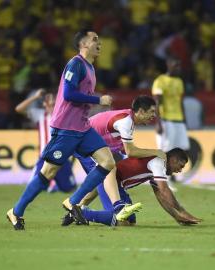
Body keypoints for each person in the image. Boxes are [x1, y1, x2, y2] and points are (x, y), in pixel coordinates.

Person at [7, 30, 126, 230]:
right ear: (83, 44)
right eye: (95, 39)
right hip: (66, 128)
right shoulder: (76, 64)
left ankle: (73, 201)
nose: (100, 43)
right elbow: (69, 94)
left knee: (107, 161)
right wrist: (98, 99)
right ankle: (16, 211)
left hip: (82, 127)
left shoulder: (90, 68)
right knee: (48, 172)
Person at [73, 95, 166, 217]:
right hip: (82, 142)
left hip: (84, 141)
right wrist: (156, 152)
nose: (154, 115)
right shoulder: (125, 121)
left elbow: (123, 149)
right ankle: (117, 206)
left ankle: (76, 209)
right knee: (108, 168)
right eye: (152, 111)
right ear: (141, 111)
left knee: (101, 176)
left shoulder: (128, 120)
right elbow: (130, 151)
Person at [63, 148, 202, 226]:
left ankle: (82, 212)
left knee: (131, 221)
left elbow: (160, 195)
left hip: (119, 187)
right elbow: (165, 190)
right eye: (180, 166)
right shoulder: (158, 162)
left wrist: (176, 217)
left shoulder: (157, 168)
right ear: (172, 159)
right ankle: (82, 212)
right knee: (121, 221)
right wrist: (182, 211)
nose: (180, 170)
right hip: (109, 183)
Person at [15, 88, 76, 193]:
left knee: (70, 188)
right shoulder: (39, 115)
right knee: (32, 187)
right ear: (44, 104)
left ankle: (54, 184)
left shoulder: (64, 116)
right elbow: (18, 109)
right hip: (44, 158)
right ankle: (51, 184)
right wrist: (35, 97)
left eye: (54, 104)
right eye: (50, 104)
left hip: (62, 158)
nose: (52, 107)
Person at [152, 56, 190, 187]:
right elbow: (156, 102)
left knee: (182, 148)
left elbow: (180, 101)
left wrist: (184, 120)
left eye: (179, 65)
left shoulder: (179, 81)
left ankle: (173, 176)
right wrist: (157, 122)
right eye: (176, 65)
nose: (178, 68)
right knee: (166, 150)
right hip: (166, 119)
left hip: (178, 120)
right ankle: (162, 178)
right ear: (168, 64)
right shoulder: (160, 80)